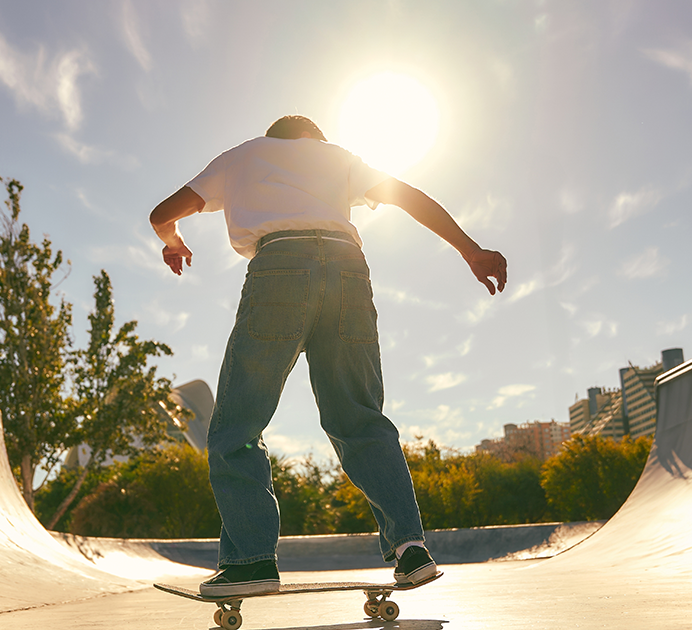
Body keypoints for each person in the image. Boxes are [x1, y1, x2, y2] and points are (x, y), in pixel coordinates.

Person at [150, 115, 507, 598]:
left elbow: (162, 213)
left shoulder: (242, 156)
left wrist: (173, 243)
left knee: (238, 422)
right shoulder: (337, 157)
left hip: (279, 269)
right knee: (359, 417)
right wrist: (471, 250)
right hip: (347, 271)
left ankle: (251, 561)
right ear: (313, 138)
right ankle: (410, 548)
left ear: (274, 136)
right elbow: (406, 194)